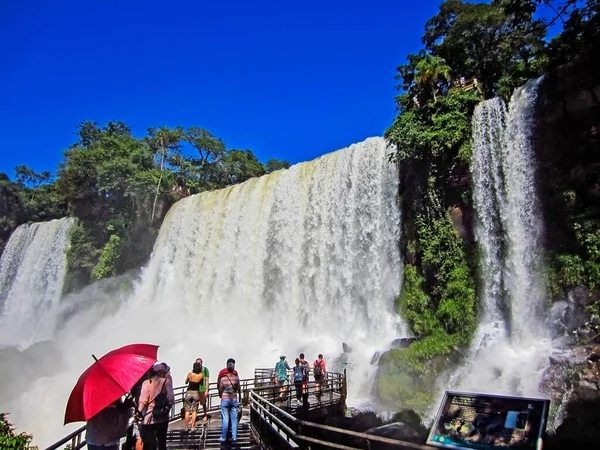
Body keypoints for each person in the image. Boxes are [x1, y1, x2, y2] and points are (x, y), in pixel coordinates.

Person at [137, 364, 175, 450]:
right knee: (162, 443)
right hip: (162, 418)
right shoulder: (166, 382)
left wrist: (139, 412)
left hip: (148, 418)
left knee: (149, 445)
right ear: (161, 372)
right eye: (164, 372)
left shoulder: (146, 383)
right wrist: (165, 407)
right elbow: (171, 399)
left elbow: (143, 400)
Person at [217, 358, 240, 443]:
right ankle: (234, 437)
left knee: (225, 419)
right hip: (233, 399)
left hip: (225, 399)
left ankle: (223, 437)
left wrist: (222, 395)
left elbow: (220, 389)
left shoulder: (223, 379)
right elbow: (238, 389)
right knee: (234, 419)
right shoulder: (236, 378)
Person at [184, 361, 204, 431]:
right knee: (194, 411)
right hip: (196, 393)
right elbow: (201, 384)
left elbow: (186, 382)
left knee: (187, 411)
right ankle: (193, 427)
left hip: (189, 392)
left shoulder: (190, 374)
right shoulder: (201, 375)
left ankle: (186, 427)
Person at [194, 357, 210, 422]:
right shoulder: (194, 370)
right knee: (195, 404)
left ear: (201, 363)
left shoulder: (205, 370)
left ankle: (205, 415)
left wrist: (206, 390)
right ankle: (194, 417)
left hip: (202, 389)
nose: (199, 364)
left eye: (200, 363)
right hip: (196, 389)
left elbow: (207, 381)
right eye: (197, 363)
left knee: (203, 403)